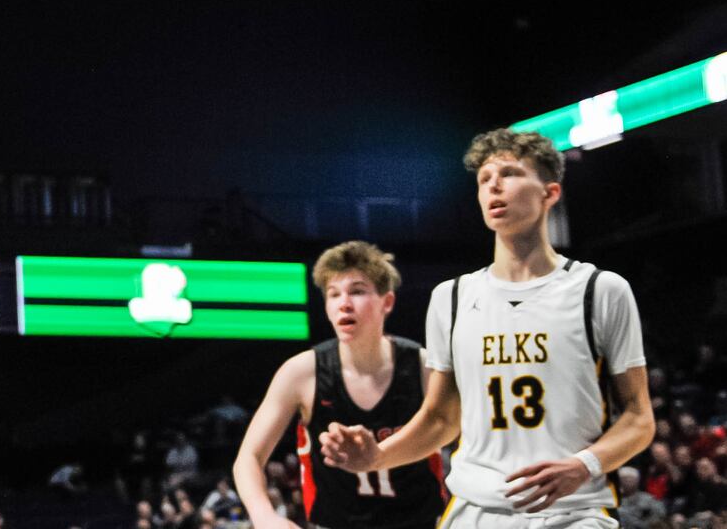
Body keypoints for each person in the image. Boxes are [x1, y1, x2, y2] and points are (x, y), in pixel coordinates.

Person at [321, 128, 655, 528]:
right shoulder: (452, 297)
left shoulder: (600, 290)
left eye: (510, 174)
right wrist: (377, 457)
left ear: (550, 193)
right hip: (475, 511)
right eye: (483, 179)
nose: (493, 185)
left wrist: (583, 465)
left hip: (572, 511)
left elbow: (639, 418)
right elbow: (442, 418)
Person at [233, 240, 445, 529]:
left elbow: (469, 433)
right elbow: (249, 457)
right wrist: (264, 516)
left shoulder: (424, 366)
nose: (344, 303)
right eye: (333, 294)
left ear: (387, 302)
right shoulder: (301, 372)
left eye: (357, 291)